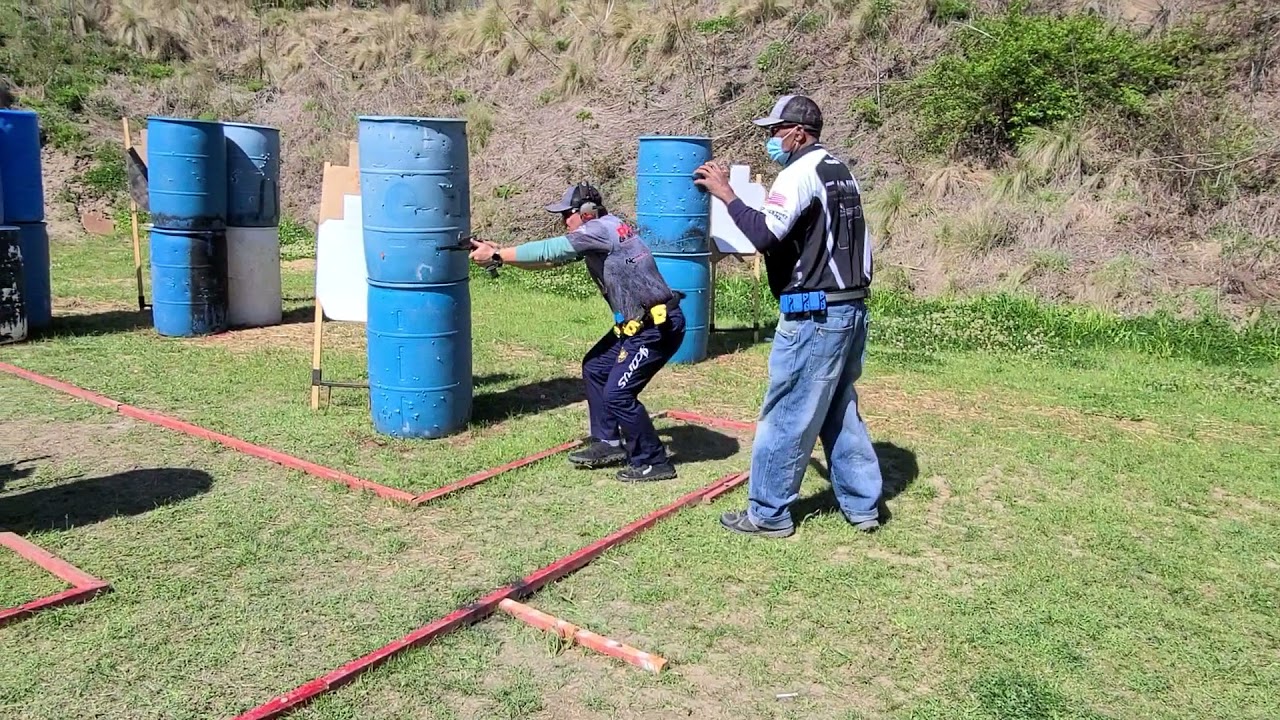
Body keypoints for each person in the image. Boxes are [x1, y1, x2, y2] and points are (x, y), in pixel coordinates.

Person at [693, 94, 884, 538]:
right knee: (839, 410)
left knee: (786, 414)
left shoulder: (797, 174)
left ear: (799, 132)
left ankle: (768, 513)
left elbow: (765, 234)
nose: (770, 140)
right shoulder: (840, 170)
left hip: (814, 315)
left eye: (775, 131)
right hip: (850, 309)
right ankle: (862, 505)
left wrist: (727, 195)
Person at [468, 182, 686, 483]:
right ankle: (607, 443)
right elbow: (548, 260)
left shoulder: (599, 229)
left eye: (567, 214)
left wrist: (497, 256)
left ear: (586, 212)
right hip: (639, 324)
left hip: (656, 327)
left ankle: (653, 461)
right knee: (596, 368)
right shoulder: (606, 228)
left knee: (619, 394)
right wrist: (499, 252)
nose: (564, 221)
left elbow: (551, 248)